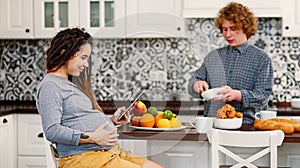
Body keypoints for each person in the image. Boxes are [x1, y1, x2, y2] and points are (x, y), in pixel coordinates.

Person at [36, 28, 163, 168]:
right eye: (83, 58)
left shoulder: (69, 84)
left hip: (107, 153)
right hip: (84, 158)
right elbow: (52, 131)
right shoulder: (50, 86)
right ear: (64, 53)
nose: (86, 64)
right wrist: (93, 138)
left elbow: (77, 121)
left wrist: (112, 121)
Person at [188, 2, 273, 124]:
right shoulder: (213, 56)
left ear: (245, 27)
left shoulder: (261, 59)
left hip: (247, 126)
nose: (228, 34)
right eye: (224, 29)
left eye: (233, 29)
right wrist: (196, 84)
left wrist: (237, 95)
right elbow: (192, 86)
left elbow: (263, 96)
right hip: (213, 125)